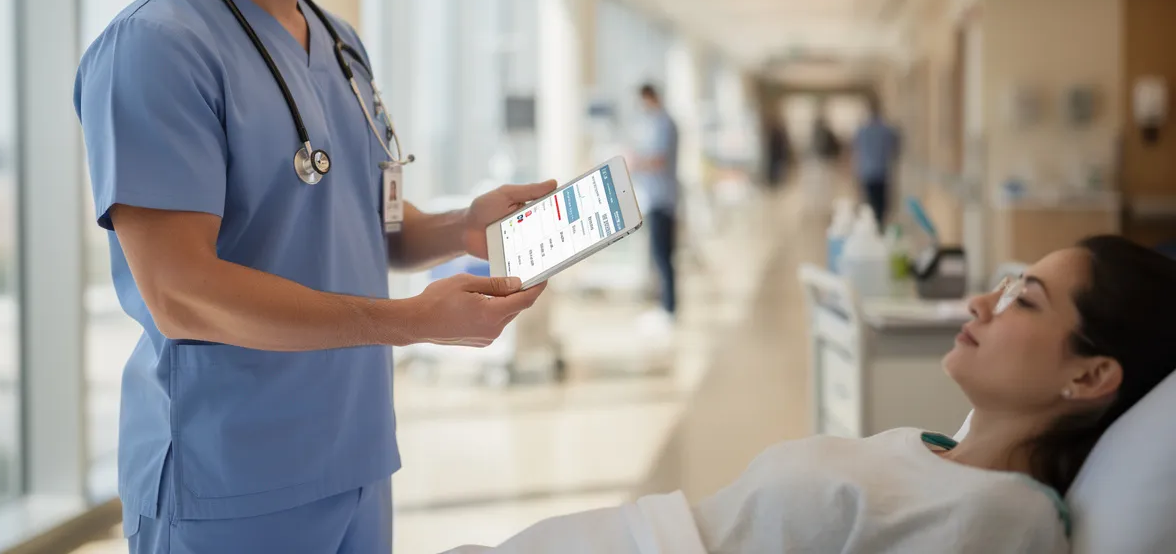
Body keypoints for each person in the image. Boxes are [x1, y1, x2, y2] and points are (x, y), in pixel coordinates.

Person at [73, 0, 554, 552]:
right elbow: (181, 296)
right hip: (226, 482)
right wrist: (409, 323)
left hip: (355, 459)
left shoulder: (340, 45)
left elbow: (373, 227)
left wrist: (464, 225)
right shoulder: (160, 49)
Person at [448, 236, 1176, 553]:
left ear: (1089, 376)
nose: (983, 301)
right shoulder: (936, 455)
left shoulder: (1004, 517)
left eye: (1026, 299)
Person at [631, 84, 679, 331]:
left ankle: (669, 309)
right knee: (659, 256)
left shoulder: (664, 124)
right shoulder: (657, 123)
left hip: (662, 199)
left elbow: (658, 160)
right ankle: (665, 306)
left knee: (663, 257)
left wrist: (634, 163)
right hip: (656, 198)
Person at [852, 96, 900, 226]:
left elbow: (856, 151)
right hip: (882, 172)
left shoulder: (862, 130)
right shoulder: (886, 130)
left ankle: (872, 228)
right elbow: (895, 149)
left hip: (867, 173)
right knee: (881, 207)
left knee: (869, 207)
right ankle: (879, 228)